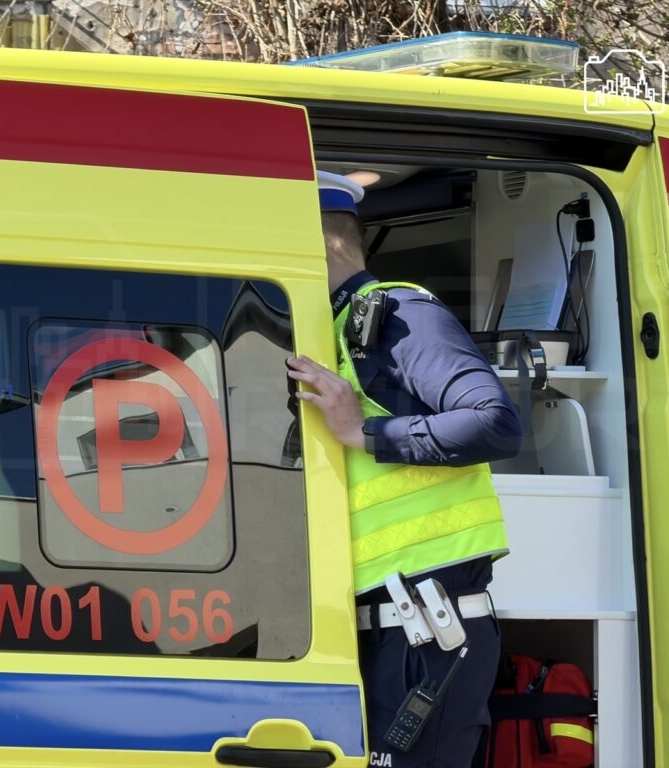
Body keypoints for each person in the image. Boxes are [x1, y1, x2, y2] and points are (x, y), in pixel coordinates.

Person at [286, 171, 522, 767]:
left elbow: (495, 421)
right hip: (380, 628)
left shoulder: (395, 313)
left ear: (317, 243)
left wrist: (363, 432)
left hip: (428, 631)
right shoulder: (330, 334)